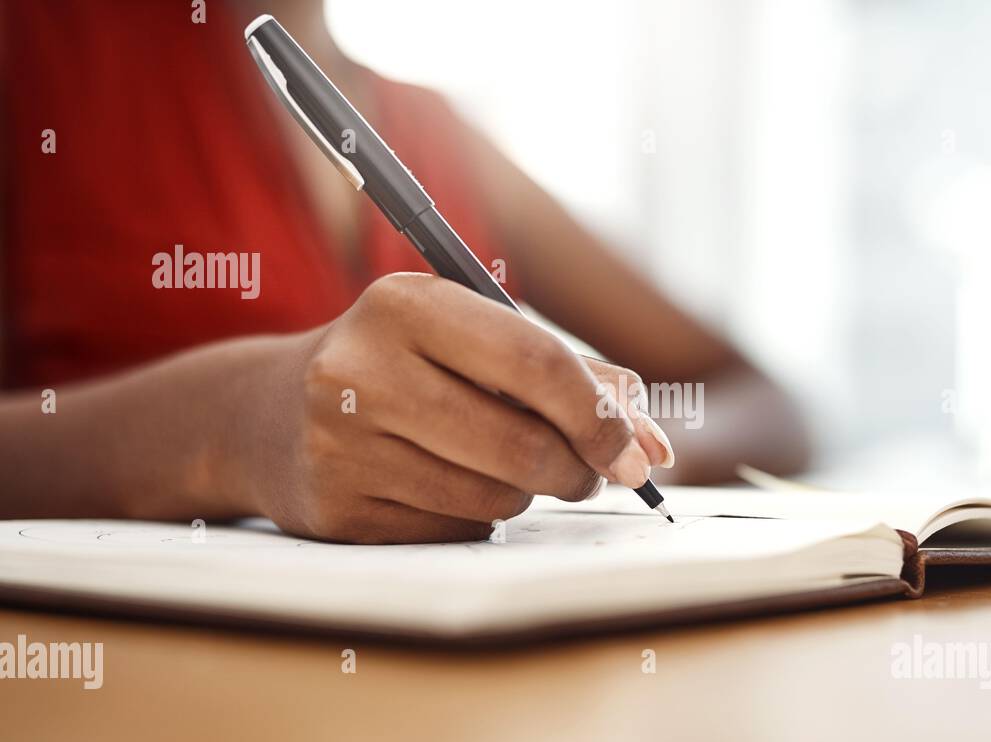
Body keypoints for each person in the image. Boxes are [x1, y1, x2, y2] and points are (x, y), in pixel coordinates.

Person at [0, 0, 809, 543]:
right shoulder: (36, 51)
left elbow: (765, 400)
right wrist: (232, 430)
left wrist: (624, 447)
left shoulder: (435, 133)